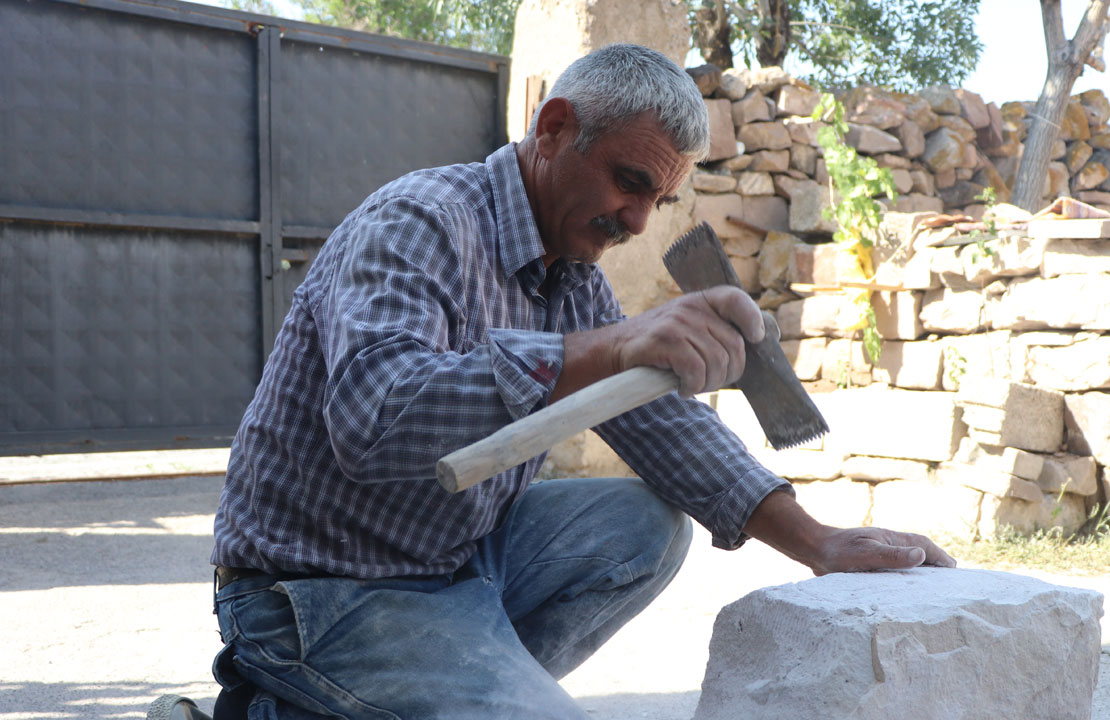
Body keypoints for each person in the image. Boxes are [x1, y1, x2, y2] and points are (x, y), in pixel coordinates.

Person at [208, 43, 955, 719]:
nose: (635, 222)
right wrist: (608, 347)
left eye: (657, 202)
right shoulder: (419, 222)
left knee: (641, 528)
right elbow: (373, 420)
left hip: (451, 566)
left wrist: (817, 542)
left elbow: (659, 424)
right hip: (315, 594)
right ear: (556, 128)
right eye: (628, 183)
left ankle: (417, 690)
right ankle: (299, 702)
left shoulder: (567, 271)